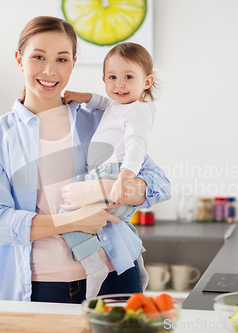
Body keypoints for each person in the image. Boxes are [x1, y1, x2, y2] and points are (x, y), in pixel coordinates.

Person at [0, 16, 171, 303]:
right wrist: (74, 220)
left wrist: (101, 190)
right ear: (20, 59)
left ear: (74, 63)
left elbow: (159, 184)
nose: (50, 70)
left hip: (116, 275)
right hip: (40, 287)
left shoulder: (97, 120)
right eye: (38, 57)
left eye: (62, 59)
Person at [60, 42, 157, 298]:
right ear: (104, 79)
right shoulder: (119, 105)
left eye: (128, 77)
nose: (120, 85)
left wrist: (124, 177)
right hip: (106, 173)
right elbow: (104, 103)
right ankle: (139, 266)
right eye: (113, 77)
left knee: (66, 217)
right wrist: (85, 97)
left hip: (114, 174)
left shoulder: (139, 110)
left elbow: (137, 145)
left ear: (146, 81)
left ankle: (93, 268)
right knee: (119, 223)